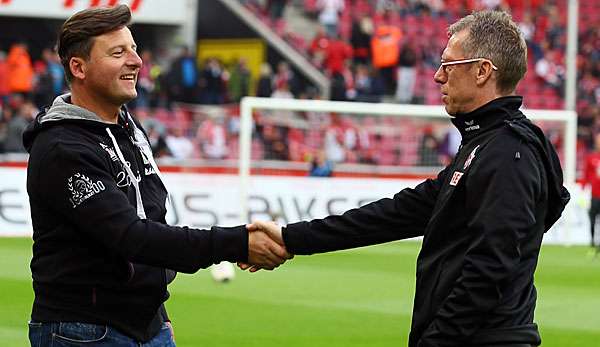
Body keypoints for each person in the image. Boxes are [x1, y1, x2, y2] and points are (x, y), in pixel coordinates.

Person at [242, 11, 570, 347]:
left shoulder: (508, 154)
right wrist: (290, 238)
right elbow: (395, 215)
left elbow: (489, 270)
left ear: (483, 71)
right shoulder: (485, 144)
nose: (438, 76)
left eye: (449, 65)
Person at [23, 5, 290, 347]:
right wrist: (237, 242)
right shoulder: (63, 148)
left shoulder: (130, 128)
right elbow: (131, 237)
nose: (136, 61)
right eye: (118, 52)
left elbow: (153, 219)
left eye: (133, 49)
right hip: (85, 331)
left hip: (146, 327)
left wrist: (158, 318)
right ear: (79, 67)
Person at [583, 132, 600, 250]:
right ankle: (592, 242)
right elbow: (586, 175)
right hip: (595, 194)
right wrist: (583, 188)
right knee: (592, 218)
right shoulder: (591, 157)